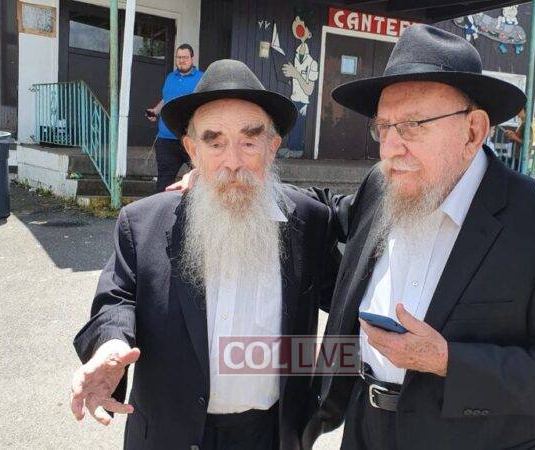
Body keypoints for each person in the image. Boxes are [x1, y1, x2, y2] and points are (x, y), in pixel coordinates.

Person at [168, 25, 535, 450]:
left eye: (413, 125)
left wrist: (448, 360)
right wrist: (227, 179)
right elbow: (319, 207)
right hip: (365, 429)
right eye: (384, 128)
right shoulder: (384, 185)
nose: (390, 149)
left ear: (473, 131)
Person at [70, 59, 339, 450]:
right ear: (192, 150)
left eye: (249, 141)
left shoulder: (309, 222)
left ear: (272, 147)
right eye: (214, 142)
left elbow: (352, 305)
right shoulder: (142, 223)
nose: (233, 161)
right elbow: (117, 299)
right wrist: (111, 346)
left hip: (273, 435)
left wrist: (328, 389)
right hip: (169, 435)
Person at [146, 44, 204, 193]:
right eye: (178, 57)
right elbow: (166, 99)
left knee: (200, 180)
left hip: (192, 138)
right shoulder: (170, 78)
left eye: (185, 57)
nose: (181, 60)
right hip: (166, 140)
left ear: (192, 58)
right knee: (164, 182)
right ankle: (161, 207)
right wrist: (155, 111)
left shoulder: (202, 78)